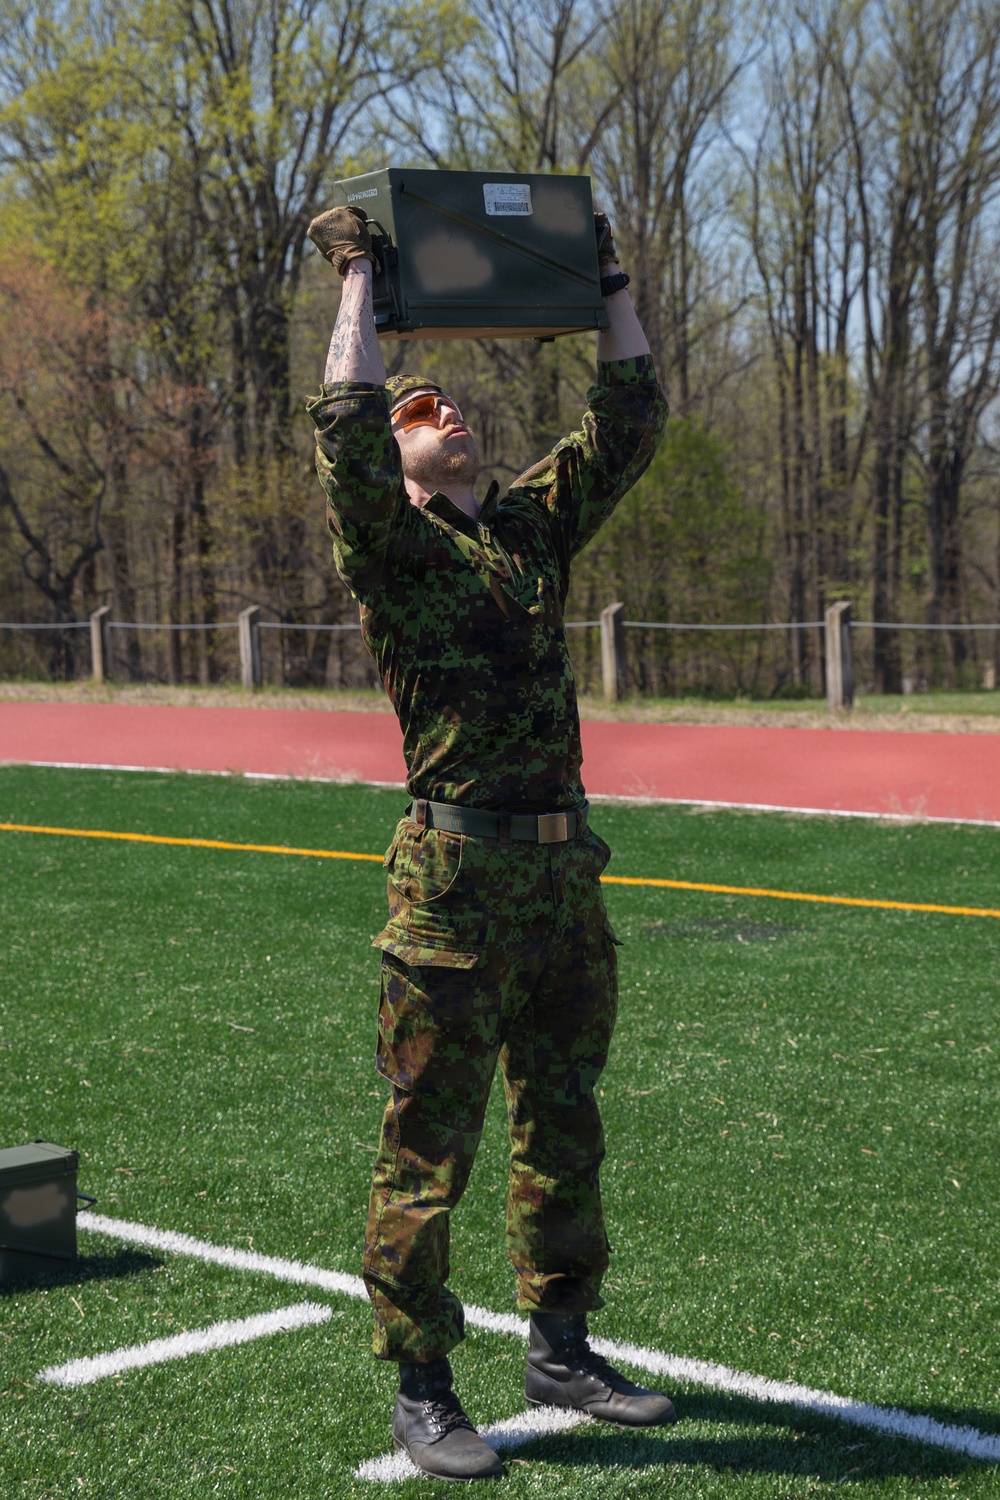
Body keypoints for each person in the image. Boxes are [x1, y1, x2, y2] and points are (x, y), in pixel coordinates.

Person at [306, 201, 675, 1483]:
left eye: (453, 403)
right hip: (452, 884)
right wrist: (359, 275)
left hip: (561, 873)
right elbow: (343, 435)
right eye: (421, 413)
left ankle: (561, 1346)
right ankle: (420, 1383)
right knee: (428, 1142)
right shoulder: (392, 553)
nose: (443, 411)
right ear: (401, 459)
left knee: (564, 1118)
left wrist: (604, 277)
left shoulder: (522, 530)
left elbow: (626, 422)